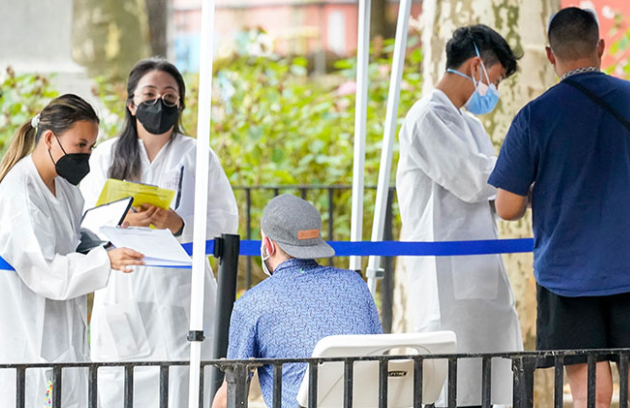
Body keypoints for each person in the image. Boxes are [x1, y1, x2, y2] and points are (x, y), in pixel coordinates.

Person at [489, 7, 630, 407]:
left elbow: (507, 207)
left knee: (591, 397)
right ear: (600, 47)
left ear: (551, 55)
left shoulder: (534, 117)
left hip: (567, 275)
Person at [80, 58, 239, 407]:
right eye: (150, 94)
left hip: (182, 291)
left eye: (170, 97)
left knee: (185, 383)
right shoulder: (104, 155)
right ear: (131, 103)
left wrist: (179, 224)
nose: (159, 104)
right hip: (125, 287)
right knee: (121, 385)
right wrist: (121, 223)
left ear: (180, 104)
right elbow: (82, 223)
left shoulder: (198, 156)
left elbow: (227, 221)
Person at [395, 25, 523, 406]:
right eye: (495, 79)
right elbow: (473, 178)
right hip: (445, 278)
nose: (494, 91)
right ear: (474, 67)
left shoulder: (470, 124)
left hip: (481, 272)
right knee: (455, 383)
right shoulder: (425, 118)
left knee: (494, 380)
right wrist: (523, 172)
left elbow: (494, 187)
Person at [0, 94, 144, 407]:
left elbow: (77, 234)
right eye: (80, 145)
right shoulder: (19, 194)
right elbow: (46, 271)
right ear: (50, 138)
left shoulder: (64, 187)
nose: (86, 155)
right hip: (31, 331)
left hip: (63, 330)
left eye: (91, 147)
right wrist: (104, 260)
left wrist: (114, 231)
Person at [211, 194, 382, 408]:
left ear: (268, 246)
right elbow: (378, 352)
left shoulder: (253, 303)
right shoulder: (355, 284)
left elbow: (231, 394)